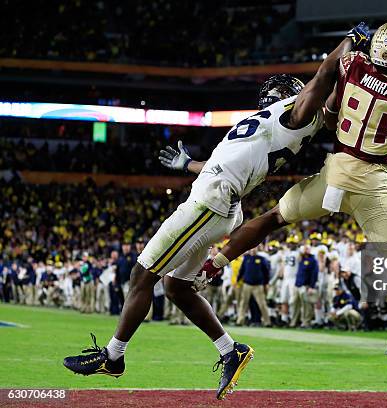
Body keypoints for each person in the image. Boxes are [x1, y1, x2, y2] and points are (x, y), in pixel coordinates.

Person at [62, 26, 364, 400]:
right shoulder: (276, 121)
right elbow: (227, 161)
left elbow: (324, 76)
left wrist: (350, 42)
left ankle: (114, 356)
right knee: (175, 286)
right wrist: (189, 164)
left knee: (144, 273)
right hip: (216, 196)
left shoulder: (296, 115)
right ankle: (230, 351)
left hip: (211, 202)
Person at [205, 21, 387, 388]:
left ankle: (213, 265)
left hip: (333, 174)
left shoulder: (352, 65)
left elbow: (331, 114)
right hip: (371, 185)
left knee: (274, 217)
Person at [236, 248, 271, 326]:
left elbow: (266, 272)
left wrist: (266, 283)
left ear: (257, 249)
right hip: (247, 284)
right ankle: (240, 321)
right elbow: (242, 270)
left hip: (258, 285)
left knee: (262, 304)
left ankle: (267, 322)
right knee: (243, 303)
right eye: (252, 249)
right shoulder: (246, 258)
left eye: (255, 248)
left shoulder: (261, 259)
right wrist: (238, 280)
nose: (253, 250)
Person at [291, 245, 319, 328]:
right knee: (295, 304)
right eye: (304, 249)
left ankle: (306, 322)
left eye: (307, 249)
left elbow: (314, 274)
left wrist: (311, 286)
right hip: (297, 285)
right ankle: (294, 322)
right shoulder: (301, 259)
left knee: (306, 305)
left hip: (306, 286)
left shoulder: (312, 260)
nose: (305, 250)